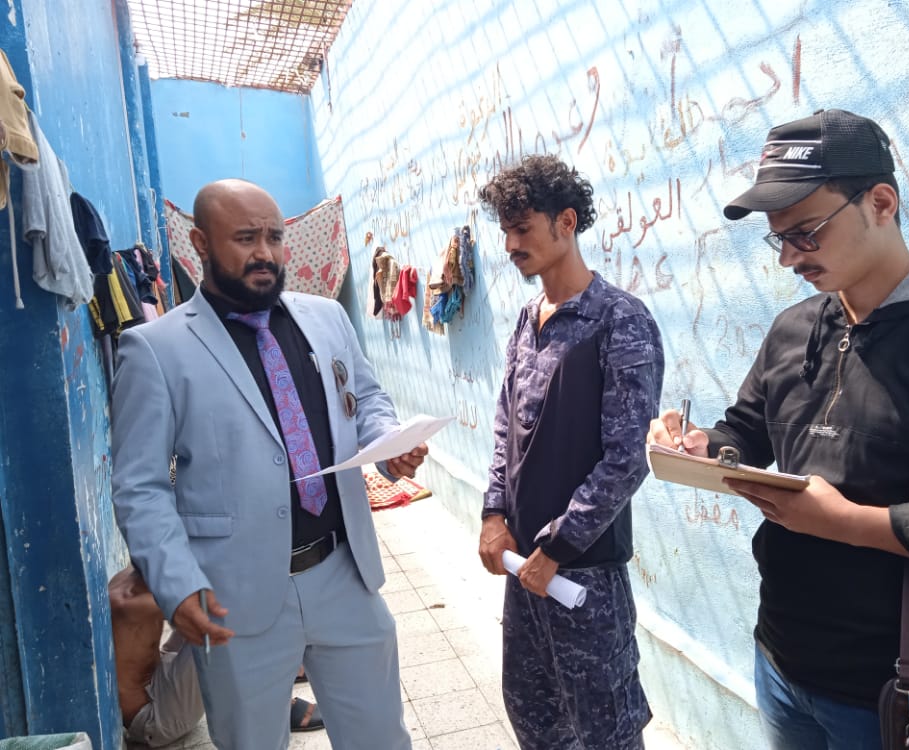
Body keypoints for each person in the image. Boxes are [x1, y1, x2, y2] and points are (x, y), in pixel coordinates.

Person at [648, 108, 909, 749]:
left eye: (806, 233)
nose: (788, 257)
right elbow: (747, 429)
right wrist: (703, 447)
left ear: (881, 203)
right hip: (779, 657)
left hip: (899, 688)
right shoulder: (795, 328)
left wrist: (852, 524)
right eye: (777, 239)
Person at [111, 178, 425, 750]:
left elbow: (366, 398)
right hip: (234, 592)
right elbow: (141, 488)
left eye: (274, 238)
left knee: (382, 738)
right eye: (245, 238)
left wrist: (388, 443)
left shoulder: (326, 317)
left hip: (344, 572)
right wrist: (177, 584)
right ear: (200, 244)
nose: (265, 253)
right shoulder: (156, 349)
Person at [477, 154, 665, 749]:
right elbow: (507, 427)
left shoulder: (619, 320)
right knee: (534, 716)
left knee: (604, 729)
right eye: (505, 231)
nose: (511, 244)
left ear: (566, 222)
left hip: (583, 578)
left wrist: (558, 546)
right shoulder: (527, 320)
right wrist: (493, 514)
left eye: (522, 228)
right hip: (524, 570)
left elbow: (627, 457)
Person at [110, 566, 324, 747]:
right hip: (155, 715)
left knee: (223, 590)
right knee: (225, 616)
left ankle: (278, 672)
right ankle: (268, 705)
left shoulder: (141, 573)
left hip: (160, 672)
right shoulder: (125, 602)